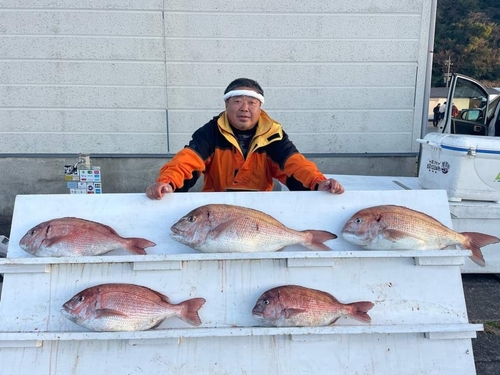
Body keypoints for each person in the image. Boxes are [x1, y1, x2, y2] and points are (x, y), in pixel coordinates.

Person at [146, 78, 345, 199]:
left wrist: (319, 182)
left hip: (260, 212)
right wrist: (167, 182)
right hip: (215, 210)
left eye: (251, 102)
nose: (244, 108)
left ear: (260, 108)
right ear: (226, 105)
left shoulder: (273, 135)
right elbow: (187, 162)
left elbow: (295, 165)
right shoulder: (209, 132)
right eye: (238, 101)